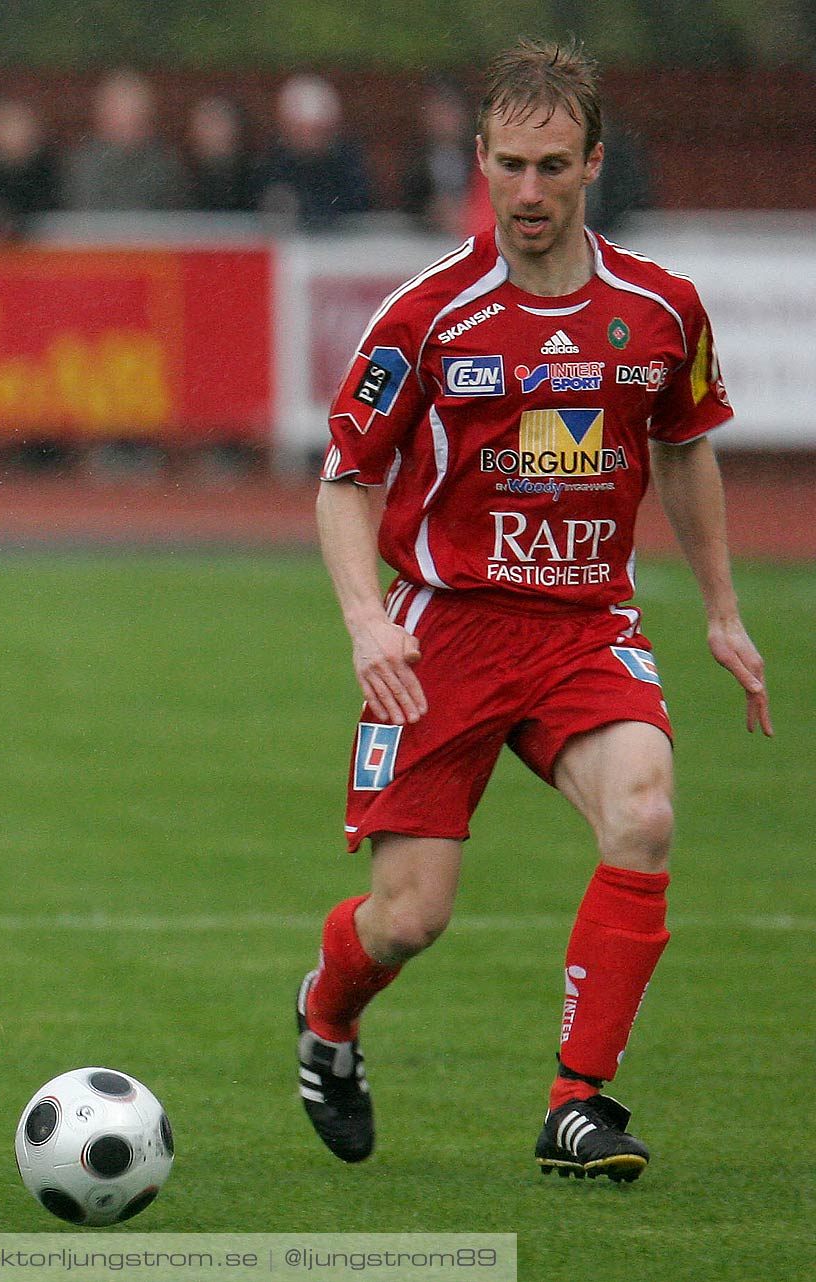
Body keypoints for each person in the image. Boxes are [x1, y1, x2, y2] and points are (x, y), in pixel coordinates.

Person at [299, 37, 771, 1183]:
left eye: (553, 166)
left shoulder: (660, 311)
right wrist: (369, 622)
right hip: (444, 630)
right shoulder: (428, 316)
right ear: (480, 159)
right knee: (408, 920)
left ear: (593, 164)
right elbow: (346, 481)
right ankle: (326, 1016)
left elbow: (686, 449)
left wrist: (721, 608)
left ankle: (578, 1101)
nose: (528, 191)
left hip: (583, 628)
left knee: (646, 814)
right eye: (509, 164)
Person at [62, 68, 187, 212]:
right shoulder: (80, 164)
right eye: (118, 108)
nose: (125, 118)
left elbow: (177, 218)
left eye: (133, 109)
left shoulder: (165, 164)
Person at [256, 74, 372, 230]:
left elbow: (358, 208)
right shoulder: (271, 166)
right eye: (300, 130)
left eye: (316, 131)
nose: (308, 138)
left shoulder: (348, 167)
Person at [397, 77, 491, 237]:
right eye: (437, 113)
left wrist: (467, 213)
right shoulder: (415, 161)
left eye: (448, 113)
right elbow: (408, 204)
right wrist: (431, 214)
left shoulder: (479, 156)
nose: (442, 120)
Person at [0, 97, 61, 239]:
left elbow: (54, 216)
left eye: (17, 124)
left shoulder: (48, 170)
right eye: (4, 125)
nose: (11, 132)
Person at [183, 95, 257, 214]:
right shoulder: (181, 179)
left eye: (218, 123)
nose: (211, 133)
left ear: (236, 131)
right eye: (205, 125)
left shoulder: (255, 179)